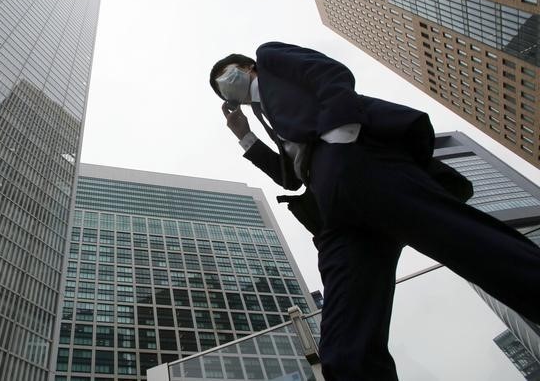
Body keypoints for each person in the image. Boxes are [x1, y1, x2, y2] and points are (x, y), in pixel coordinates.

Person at [209, 41, 540, 381]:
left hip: (355, 162)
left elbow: (328, 72)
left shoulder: (270, 58)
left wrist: (341, 137)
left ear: (247, 67)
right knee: (345, 341)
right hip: (332, 205)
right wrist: (246, 137)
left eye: (223, 74)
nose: (224, 83)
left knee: (468, 244)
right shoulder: (265, 116)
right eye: (220, 88)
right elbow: (290, 178)